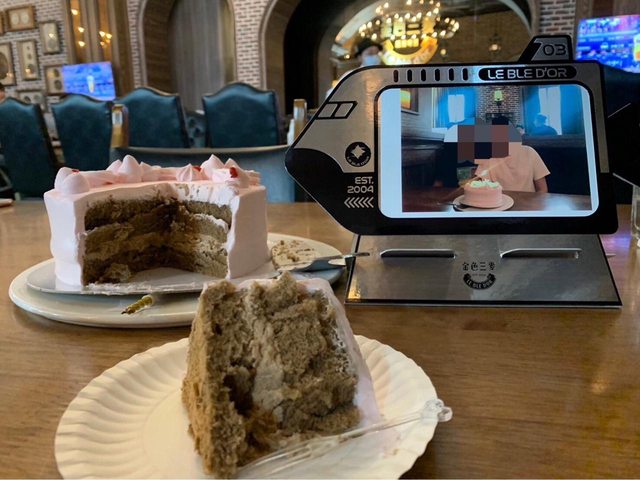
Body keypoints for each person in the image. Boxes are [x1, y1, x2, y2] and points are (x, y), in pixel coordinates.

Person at [474, 122, 550, 193]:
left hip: (529, 201)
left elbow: (542, 189)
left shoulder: (529, 152)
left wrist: (533, 202)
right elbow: (481, 188)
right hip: (500, 201)